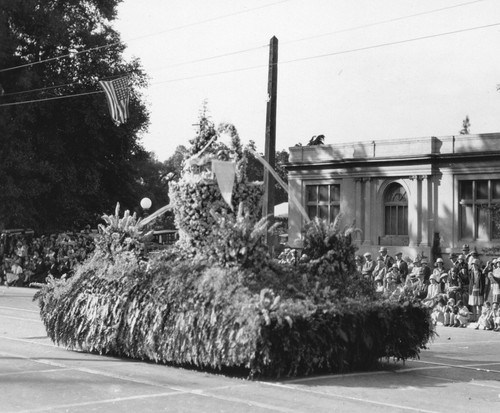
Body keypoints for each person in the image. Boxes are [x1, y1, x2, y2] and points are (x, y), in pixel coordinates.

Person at [468, 258, 485, 322]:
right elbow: (470, 281)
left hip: (479, 289)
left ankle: (479, 318)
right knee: (474, 304)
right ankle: (475, 317)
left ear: (477, 265)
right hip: (473, 289)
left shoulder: (481, 273)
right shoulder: (471, 272)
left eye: (475, 265)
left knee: (479, 304)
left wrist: (482, 290)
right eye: (473, 265)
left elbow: (482, 283)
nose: (474, 266)